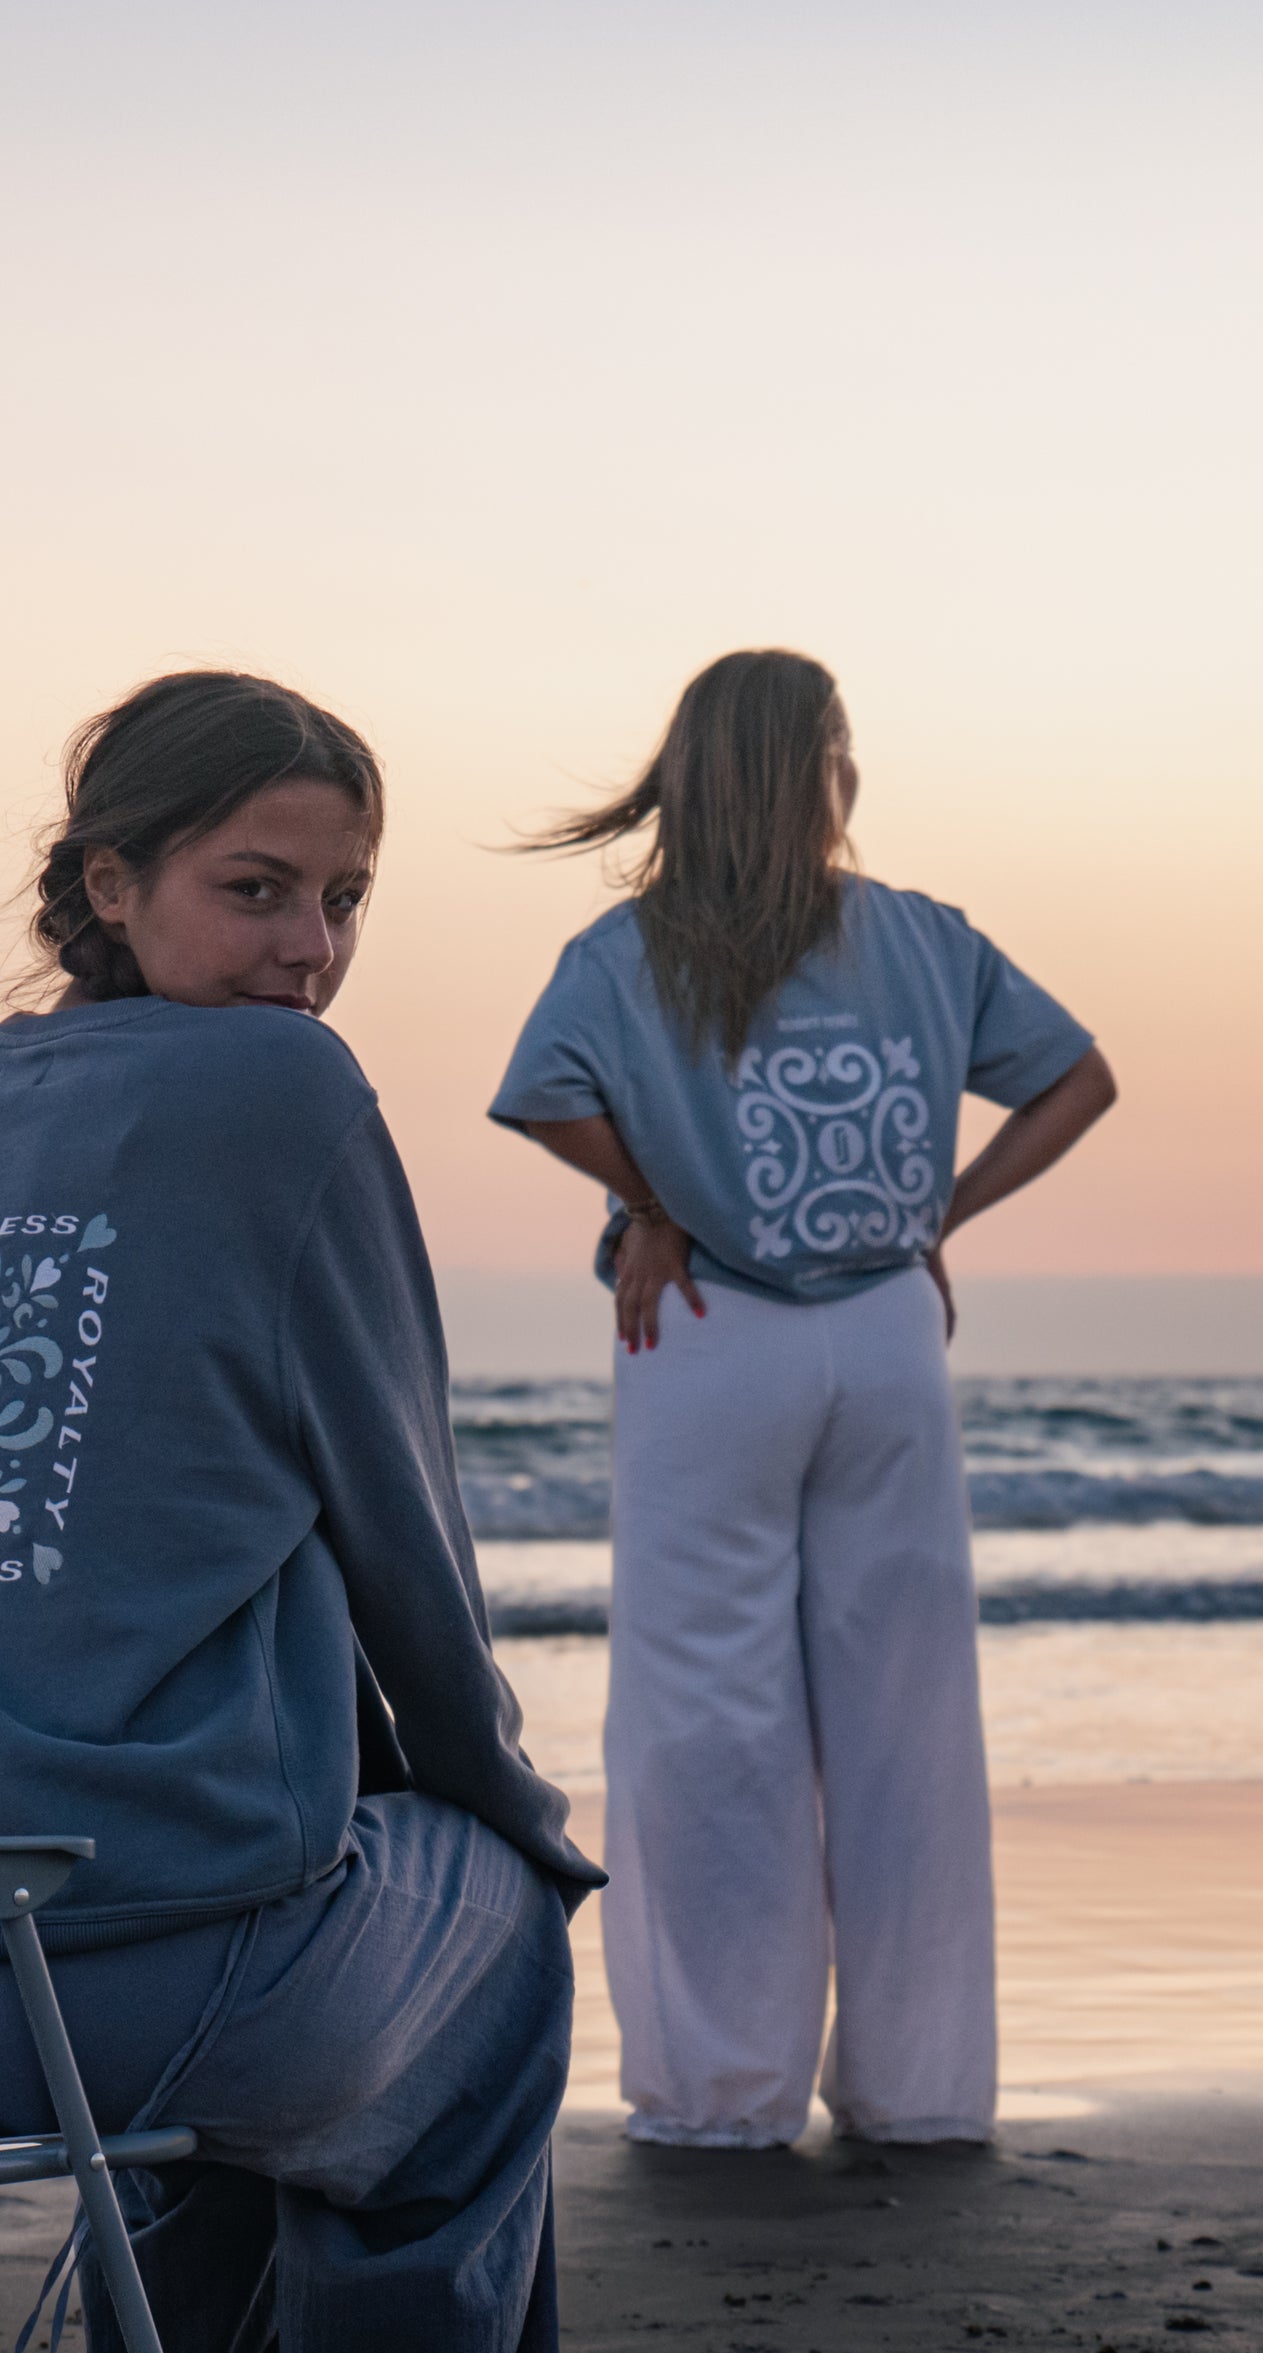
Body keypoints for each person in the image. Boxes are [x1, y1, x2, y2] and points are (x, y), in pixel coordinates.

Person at [0, 672, 606, 2353]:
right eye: (257, 888)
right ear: (110, 884)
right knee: (490, 1979)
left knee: (283, 1944)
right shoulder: (282, 1088)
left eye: (346, 900)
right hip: (117, 1988)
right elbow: (404, 1534)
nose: (311, 951)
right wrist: (515, 1827)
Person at [491, 649, 1115, 2153]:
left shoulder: (631, 952)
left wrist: (652, 1202)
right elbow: (1078, 1081)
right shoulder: (920, 938)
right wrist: (937, 1219)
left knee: (706, 1715)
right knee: (907, 1716)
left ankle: (722, 2091)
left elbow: (541, 1099)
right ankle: (921, 2090)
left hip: (708, 1322)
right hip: (889, 1332)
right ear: (828, 763)